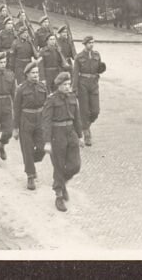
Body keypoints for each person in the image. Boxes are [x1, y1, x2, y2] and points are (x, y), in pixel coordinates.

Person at [42, 72, 85, 212]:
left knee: (75, 165)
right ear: (58, 86)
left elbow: (77, 118)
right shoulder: (51, 100)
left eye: (68, 84)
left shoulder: (73, 97)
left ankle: (61, 183)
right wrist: (47, 141)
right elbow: (46, 122)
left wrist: (80, 136)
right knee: (59, 166)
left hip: (70, 133)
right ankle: (59, 196)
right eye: (64, 85)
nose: (68, 87)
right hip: (57, 135)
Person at [13, 62, 48, 190]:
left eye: (37, 73)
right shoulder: (21, 89)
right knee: (27, 149)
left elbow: (47, 106)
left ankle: (30, 163)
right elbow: (16, 109)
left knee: (42, 147)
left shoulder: (43, 87)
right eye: (33, 73)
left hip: (40, 120)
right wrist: (15, 128)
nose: (36, 75)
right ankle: (30, 176)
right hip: (26, 121)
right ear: (27, 74)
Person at [72, 36, 105, 146]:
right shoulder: (79, 57)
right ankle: (87, 134)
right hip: (83, 84)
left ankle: (83, 125)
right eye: (89, 43)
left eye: (93, 43)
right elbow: (75, 74)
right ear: (84, 44)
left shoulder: (97, 55)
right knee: (84, 111)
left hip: (94, 84)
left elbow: (99, 69)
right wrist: (74, 88)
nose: (91, 44)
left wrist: (101, 71)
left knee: (95, 111)